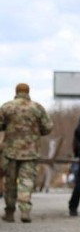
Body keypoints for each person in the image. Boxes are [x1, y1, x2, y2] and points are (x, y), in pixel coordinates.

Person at [0, 83, 53, 223]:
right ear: (28, 92)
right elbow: (48, 127)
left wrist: (7, 127)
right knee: (27, 181)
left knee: (10, 182)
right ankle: (25, 211)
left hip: (10, 151)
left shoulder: (7, 107)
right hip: (31, 151)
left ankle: (10, 212)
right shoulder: (37, 108)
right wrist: (36, 131)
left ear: (16, 91)